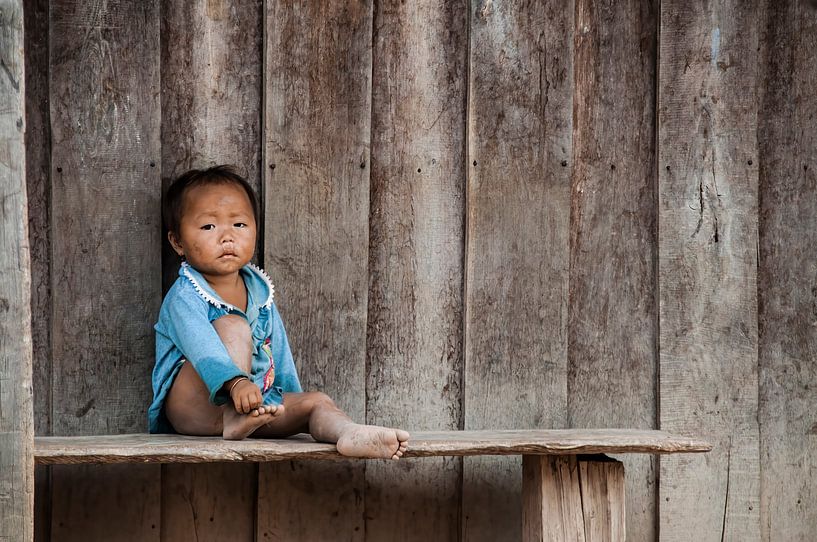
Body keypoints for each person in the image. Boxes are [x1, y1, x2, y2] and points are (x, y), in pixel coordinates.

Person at [148, 165, 409, 459]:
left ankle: (347, 433)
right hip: (194, 408)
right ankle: (233, 414)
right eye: (209, 227)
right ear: (177, 242)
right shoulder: (185, 295)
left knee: (316, 402)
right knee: (234, 326)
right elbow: (201, 346)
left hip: (250, 406)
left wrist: (286, 399)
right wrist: (236, 384)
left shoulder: (259, 293)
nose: (227, 237)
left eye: (240, 225)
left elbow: (278, 352)